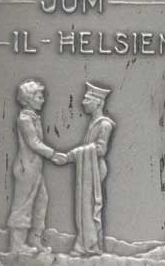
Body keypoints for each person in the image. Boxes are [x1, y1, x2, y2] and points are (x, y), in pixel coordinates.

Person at [7, 79, 67, 254]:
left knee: (41, 201)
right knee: (23, 204)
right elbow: (33, 142)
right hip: (26, 168)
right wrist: (53, 154)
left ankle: (35, 239)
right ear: (28, 99)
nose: (43, 100)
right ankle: (17, 245)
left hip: (35, 168)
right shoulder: (25, 119)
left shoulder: (32, 117)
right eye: (39, 97)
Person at [66, 82, 115, 256]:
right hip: (87, 167)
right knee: (84, 206)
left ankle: (90, 245)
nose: (83, 102)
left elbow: (100, 149)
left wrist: (74, 153)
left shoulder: (105, 125)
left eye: (87, 99)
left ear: (98, 102)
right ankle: (85, 243)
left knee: (89, 207)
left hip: (94, 169)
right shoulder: (93, 122)